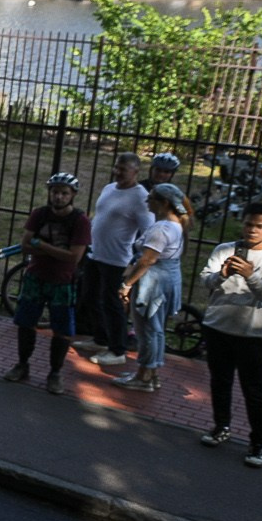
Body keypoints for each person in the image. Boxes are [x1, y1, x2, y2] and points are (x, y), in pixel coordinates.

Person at [195, 202, 262, 467]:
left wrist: (250, 276)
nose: (252, 230)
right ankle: (220, 427)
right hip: (218, 326)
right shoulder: (224, 249)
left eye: (259, 226)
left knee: (254, 390)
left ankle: (259, 443)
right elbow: (205, 280)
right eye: (248, 224)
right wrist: (221, 275)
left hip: (252, 332)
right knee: (220, 381)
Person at [8, 173, 89, 394]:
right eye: (55, 192)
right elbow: (25, 245)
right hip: (36, 276)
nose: (59, 197)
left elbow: (74, 257)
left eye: (64, 193)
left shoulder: (80, 221)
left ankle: (55, 373)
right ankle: (22, 364)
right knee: (26, 323)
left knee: (61, 330)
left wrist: (42, 246)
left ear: (72, 195)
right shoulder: (39, 214)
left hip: (63, 281)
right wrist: (55, 251)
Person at [112, 185, 187, 394]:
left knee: (147, 330)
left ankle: (144, 376)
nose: (147, 202)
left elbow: (147, 260)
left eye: (151, 198)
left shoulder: (161, 229)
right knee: (156, 329)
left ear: (164, 203)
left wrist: (127, 285)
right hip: (167, 278)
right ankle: (151, 373)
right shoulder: (176, 225)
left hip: (153, 283)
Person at [82, 153, 150, 368]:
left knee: (112, 303)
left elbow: (149, 230)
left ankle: (117, 349)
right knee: (90, 297)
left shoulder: (140, 197)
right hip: (95, 253)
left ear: (136, 172)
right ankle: (101, 339)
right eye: (116, 168)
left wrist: (136, 258)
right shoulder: (109, 188)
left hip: (117, 259)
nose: (118, 173)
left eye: (124, 169)